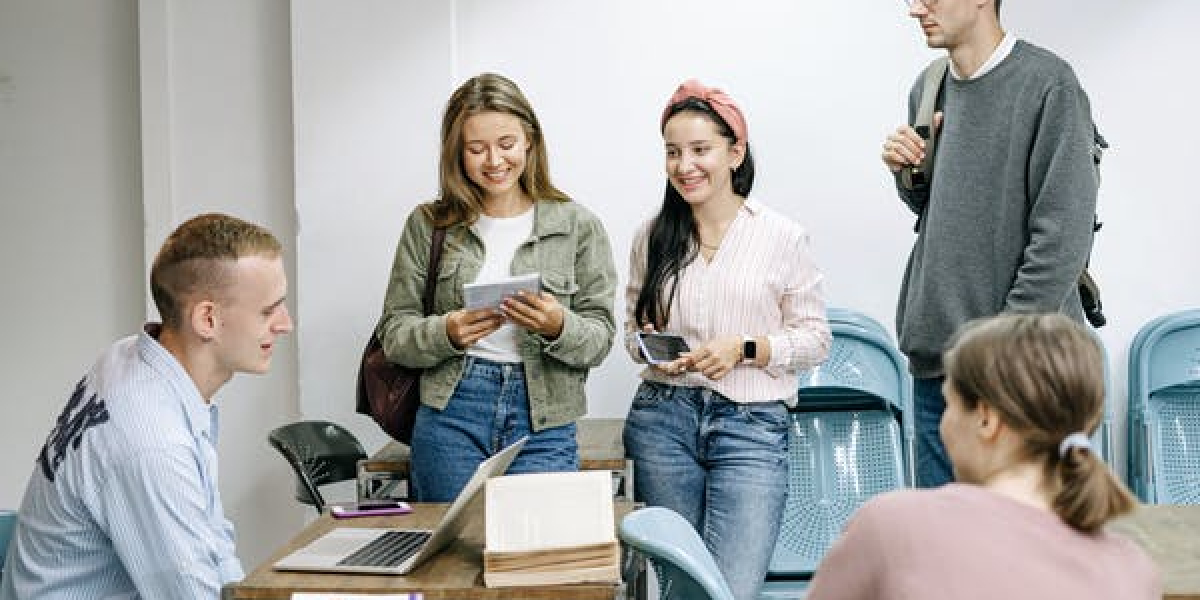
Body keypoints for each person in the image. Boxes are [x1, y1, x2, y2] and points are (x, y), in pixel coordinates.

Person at [0, 213, 294, 599]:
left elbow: (212, 545)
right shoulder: (152, 442)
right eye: (268, 310)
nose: (285, 324)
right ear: (208, 319)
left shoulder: (129, 357)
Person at [622, 79, 832, 600]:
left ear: (735, 152)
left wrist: (746, 348)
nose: (683, 165)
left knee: (731, 590)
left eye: (700, 150)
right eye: (672, 152)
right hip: (661, 421)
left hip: (753, 427)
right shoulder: (652, 235)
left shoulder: (782, 235)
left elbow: (815, 339)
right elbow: (630, 332)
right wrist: (649, 347)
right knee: (682, 589)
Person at [883, 0, 1101, 487]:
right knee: (950, 548)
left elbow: (1062, 235)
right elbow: (942, 215)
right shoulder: (929, 86)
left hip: (1023, 368)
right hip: (938, 361)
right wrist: (907, 174)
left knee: (1033, 547)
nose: (916, 9)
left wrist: (999, 351)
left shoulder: (1049, 83)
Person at [377, 73, 617, 502]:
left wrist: (558, 325)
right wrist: (447, 332)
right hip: (451, 412)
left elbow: (600, 340)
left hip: (544, 417)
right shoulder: (428, 226)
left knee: (535, 557)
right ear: (456, 153)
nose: (494, 160)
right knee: (448, 559)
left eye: (506, 143)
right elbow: (395, 335)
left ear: (530, 140)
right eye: (476, 149)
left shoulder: (578, 226)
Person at [807, 313, 1160, 599]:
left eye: (950, 404)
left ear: (987, 418)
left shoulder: (893, 526)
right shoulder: (1132, 569)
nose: (943, 424)